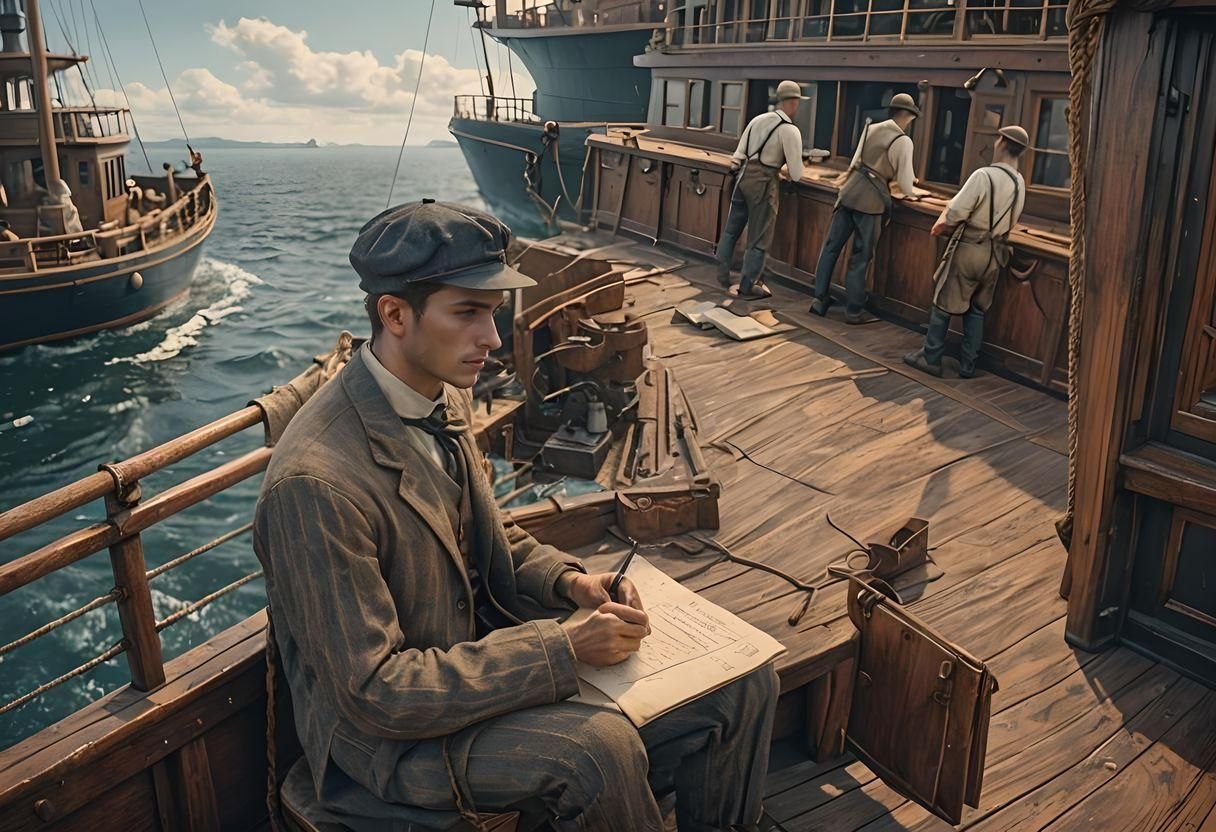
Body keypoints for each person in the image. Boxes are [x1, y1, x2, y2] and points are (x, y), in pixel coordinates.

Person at [253, 199, 780, 832]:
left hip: (473, 661)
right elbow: (377, 693)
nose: (494, 339)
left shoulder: (438, 394)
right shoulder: (315, 484)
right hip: (390, 748)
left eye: (494, 313)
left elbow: (485, 529)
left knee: (743, 683)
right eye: (469, 313)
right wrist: (563, 645)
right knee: (598, 753)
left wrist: (571, 583)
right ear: (394, 314)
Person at [904, 125, 1028, 379]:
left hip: (970, 248)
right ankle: (968, 364)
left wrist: (940, 225)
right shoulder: (1019, 183)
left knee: (943, 301)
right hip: (995, 254)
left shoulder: (983, 176)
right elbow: (1013, 220)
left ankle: (931, 357)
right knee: (977, 308)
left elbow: (957, 211)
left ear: (1002, 142)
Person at [809, 92, 930, 324]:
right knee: (861, 256)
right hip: (870, 202)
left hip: (849, 194)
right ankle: (854, 311)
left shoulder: (870, 129)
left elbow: (856, 164)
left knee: (831, 248)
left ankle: (819, 299)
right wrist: (915, 191)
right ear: (908, 115)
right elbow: (905, 185)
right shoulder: (903, 140)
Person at [716, 80, 807, 300]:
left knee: (731, 230)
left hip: (742, 177)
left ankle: (721, 274)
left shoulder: (757, 120)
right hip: (763, 184)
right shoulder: (789, 130)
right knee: (759, 237)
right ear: (793, 102)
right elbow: (796, 174)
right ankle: (749, 285)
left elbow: (738, 155)